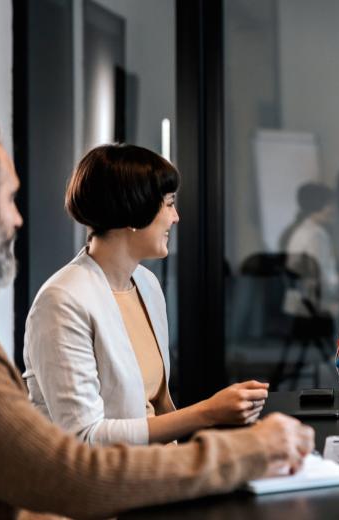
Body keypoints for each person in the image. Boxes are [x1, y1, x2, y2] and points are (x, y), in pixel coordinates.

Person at [0, 107, 313, 518]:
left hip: (144, 491)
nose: (17, 218)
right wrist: (234, 441)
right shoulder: (4, 324)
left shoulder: (147, 285)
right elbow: (74, 464)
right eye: (10, 198)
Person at [22, 144, 270, 445]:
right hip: (105, 485)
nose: (176, 217)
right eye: (169, 204)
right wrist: (208, 413)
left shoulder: (146, 283)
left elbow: (154, 407)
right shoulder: (61, 301)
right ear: (134, 211)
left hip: (156, 469)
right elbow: (86, 437)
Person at [282, 182, 339, 319]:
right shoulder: (317, 235)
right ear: (320, 205)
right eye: (330, 204)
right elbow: (321, 277)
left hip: (297, 300)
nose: (334, 209)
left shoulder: (301, 230)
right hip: (311, 302)